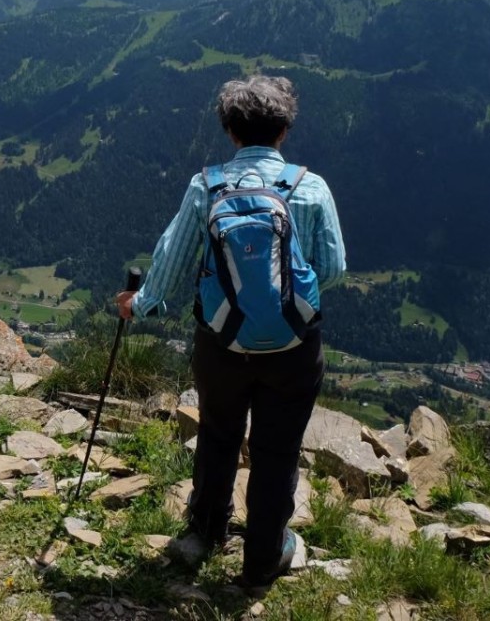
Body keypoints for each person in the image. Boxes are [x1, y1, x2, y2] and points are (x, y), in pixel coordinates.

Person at [116, 74, 346, 595]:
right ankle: (264, 558)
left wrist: (141, 305)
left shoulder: (206, 187)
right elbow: (333, 269)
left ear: (230, 129)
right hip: (293, 345)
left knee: (218, 434)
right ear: (284, 128)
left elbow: (172, 266)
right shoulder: (310, 187)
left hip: (220, 341)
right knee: (278, 449)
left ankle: (204, 534)